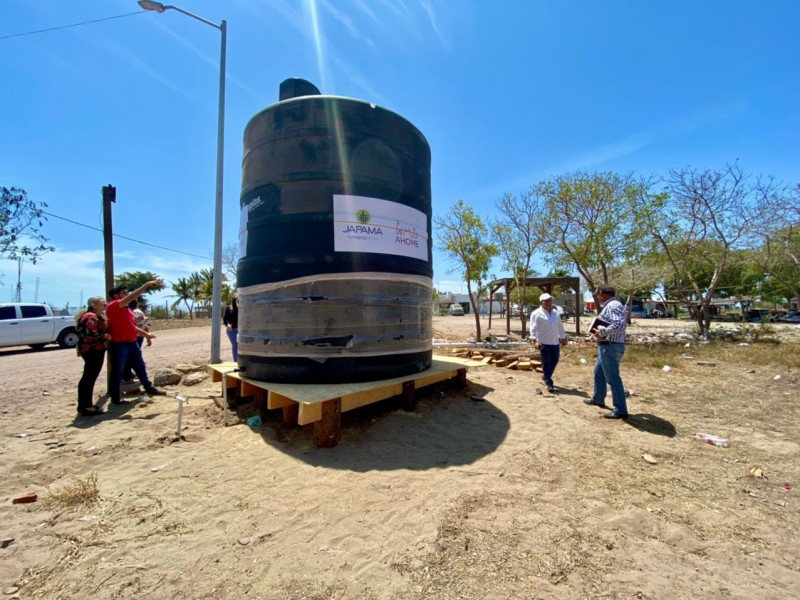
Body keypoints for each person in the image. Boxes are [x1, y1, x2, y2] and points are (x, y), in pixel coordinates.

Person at [106, 281, 166, 404]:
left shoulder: (127, 309)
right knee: (117, 371)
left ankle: (149, 388)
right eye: (124, 292)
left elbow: (132, 326)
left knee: (140, 367)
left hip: (132, 343)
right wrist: (146, 285)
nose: (127, 294)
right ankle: (115, 398)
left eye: (127, 292)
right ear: (116, 296)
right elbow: (132, 297)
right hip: (120, 344)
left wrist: (146, 334)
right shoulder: (114, 305)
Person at [584, 284, 629, 419]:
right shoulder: (612, 306)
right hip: (606, 345)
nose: (598, 297)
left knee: (613, 379)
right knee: (599, 372)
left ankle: (620, 410)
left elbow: (621, 325)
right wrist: (596, 335)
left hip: (610, 347)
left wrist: (602, 331)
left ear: (602, 294)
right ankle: (598, 398)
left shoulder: (613, 305)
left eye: (598, 295)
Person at [75, 296, 110, 417]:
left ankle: (86, 405)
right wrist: (106, 336)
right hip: (92, 350)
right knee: (88, 378)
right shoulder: (91, 317)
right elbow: (92, 334)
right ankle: (85, 407)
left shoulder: (96, 316)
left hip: (95, 350)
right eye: (102, 302)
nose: (105, 304)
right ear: (94, 305)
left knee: (90, 377)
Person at [529, 292, 566, 393]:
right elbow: (533, 328)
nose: (549, 302)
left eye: (550, 300)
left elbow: (560, 326)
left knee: (555, 360)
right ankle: (549, 382)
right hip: (544, 342)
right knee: (547, 362)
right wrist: (535, 340)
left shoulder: (555, 313)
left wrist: (563, 337)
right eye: (546, 301)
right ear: (541, 302)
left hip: (555, 342)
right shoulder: (536, 313)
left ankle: (546, 376)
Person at [121, 299, 151, 384]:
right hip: (138, 336)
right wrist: (148, 336)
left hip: (128, 337)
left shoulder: (126, 312)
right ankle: (129, 376)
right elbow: (144, 326)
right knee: (135, 356)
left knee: (128, 357)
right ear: (137, 304)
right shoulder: (139, 312)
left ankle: (127, 375)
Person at [223, 294, 239, 361]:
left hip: (240, 329)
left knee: (241, 345)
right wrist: (227, 324)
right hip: (231, 330)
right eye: (235, 299)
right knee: (235, 344)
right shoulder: (228, 308)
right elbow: (225, 319)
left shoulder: (242, 308)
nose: (237, 301)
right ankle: (236, 361)